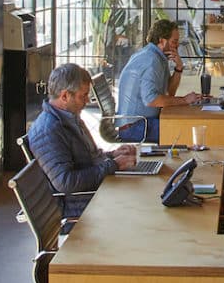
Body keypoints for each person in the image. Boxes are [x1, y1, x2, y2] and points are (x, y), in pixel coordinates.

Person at [27, 63, 136, 217]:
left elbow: (88, 158)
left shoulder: (70, 117)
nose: (87, 101)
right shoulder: (48, 130)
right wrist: (114, 165)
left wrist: (113, 155)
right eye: (83, 96)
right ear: (64, 96)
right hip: (80, 204)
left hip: (95, 192)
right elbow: (66, 182)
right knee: (138, 206)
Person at [114, 18, 206, 142]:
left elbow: (169, 92)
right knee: (187, 130)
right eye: (174, 42)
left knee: (187, 127)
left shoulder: (156, 57)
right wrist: (184, 100)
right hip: (135, 127)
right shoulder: (151, 61)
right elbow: (152, 100)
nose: (177, 45)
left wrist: (179, 68)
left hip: (142, 122)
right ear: (162, 41)